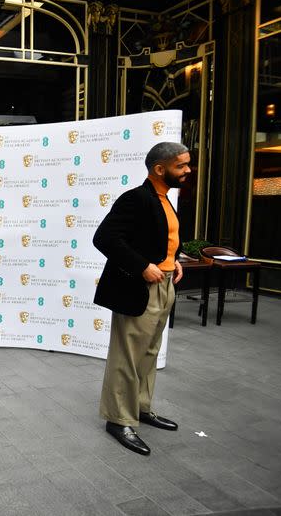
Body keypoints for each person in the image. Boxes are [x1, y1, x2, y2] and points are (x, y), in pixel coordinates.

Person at [93, 142, 191, 456]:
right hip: (139, 288)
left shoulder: (165, 200)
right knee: (127, 355)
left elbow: (162, 239)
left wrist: (172, 259)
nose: (188, 170)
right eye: (181, 165)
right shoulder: (135, 198)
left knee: (149, 352)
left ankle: (141, 408)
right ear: (160, 169)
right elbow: (105, 237)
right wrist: (142, 266)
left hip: (164, 285)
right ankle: (118, 419)